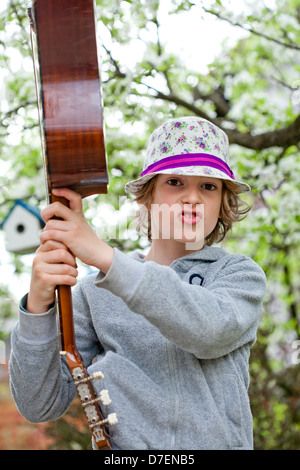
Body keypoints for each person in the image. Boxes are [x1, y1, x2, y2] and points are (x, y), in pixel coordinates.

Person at [9, 116, 266, 450]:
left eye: (208, 186)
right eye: (175, 182)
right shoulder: (94, 293)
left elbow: (209, 331)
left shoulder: (238, 274)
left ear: (222, 203)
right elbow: (39, 404)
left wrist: (106, 257)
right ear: (148, 197)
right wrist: (38, 307)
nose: (193, 198)